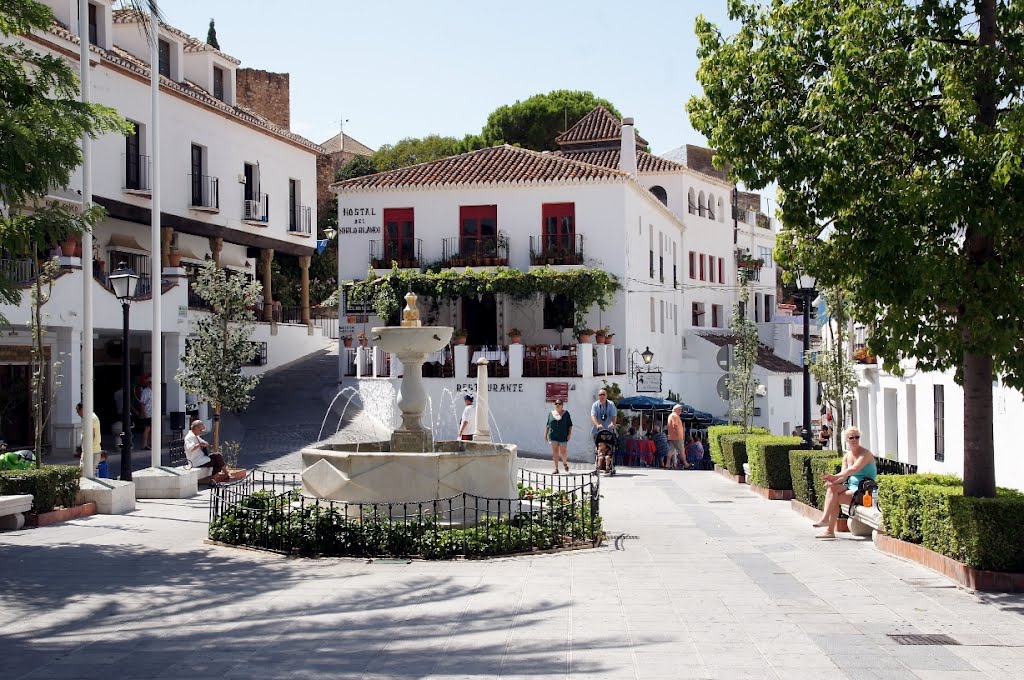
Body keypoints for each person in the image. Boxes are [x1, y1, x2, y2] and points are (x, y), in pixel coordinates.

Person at [815, 426, 877, 539]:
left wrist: (834, 477)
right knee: (832, 488)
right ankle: (825, 522)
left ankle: (828, 527)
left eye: (857, 437)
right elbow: (844, 476)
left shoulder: (865, 454)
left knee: (834, 499)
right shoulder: (847, 456)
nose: (854, 440)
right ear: (846, 440)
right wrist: (833, 480)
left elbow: (853, 469)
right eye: (851, 437)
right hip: (851, 487)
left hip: (864, 491)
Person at [544, 399, 573, 474]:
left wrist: (569, 434)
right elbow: (548, 425)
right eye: (556, 403)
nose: (557, 405)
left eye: (559, 403)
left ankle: (564, 463)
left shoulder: (566, 414)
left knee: (563, 451)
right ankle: (556, 468)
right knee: (555, 451)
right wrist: (545, 435)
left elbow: (570, 425)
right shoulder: (551, 414)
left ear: (562, 405)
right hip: (553, 435)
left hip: (563, 436)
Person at [666, 404, 686, 469]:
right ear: (675, 409)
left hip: (672, 436)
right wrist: (679, 434)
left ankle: (667, 464)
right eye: (679, 409)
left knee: (671, 450)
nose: (681, 411)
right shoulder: (675, 416)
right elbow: (675, 425)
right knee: (682, 451)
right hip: (677, 437)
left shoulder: (671, 416)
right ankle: (686, 464)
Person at [138, 376, 153, 450]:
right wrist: (144, 414)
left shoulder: (156, 391)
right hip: (148, 412)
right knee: (147, 429)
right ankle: (145, 444)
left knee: (153, 429)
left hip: (154, 413)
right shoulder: (145, 391)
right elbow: (142, 403)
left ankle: (151, 443)